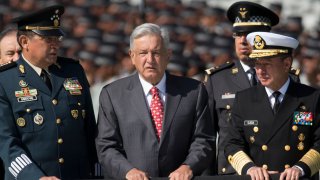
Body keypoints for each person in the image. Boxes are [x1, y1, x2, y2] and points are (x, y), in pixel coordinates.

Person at [95, 23, 215, 180]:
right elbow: (106, 146)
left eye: (156, 53)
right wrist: (128, 171)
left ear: (168, 55)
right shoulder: (112, 94)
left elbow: (203, 140)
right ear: (132, 56)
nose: (150, 60)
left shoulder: (194, 91)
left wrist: (188, 166)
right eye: (143, 53)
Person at [0, 5, 97, 180]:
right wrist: (35, 177)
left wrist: (98, 173)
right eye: (48, 39)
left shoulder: (73, 72)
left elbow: (90, 132)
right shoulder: (5, 81)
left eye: (57, 38)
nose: (56, 44)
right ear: (24, 42)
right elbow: (6, 143)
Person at [225, 32, 320, 180]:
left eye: (267, 64)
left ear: (287, 64)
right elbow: (232, 143)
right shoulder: (244, 99)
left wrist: (301, 168)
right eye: (257, 64)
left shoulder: (312, 98)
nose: (260, 71)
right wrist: (249, 168)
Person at [205, 1, 279, 175]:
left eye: (251, 34)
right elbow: (206, 138)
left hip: (275, 173)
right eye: (238, 34)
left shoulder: (287, 77)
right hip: (231, 173)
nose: (243, 41)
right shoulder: (217, 80)